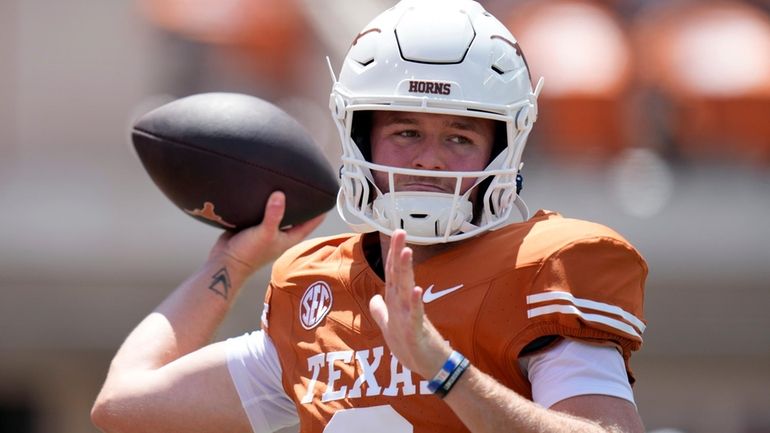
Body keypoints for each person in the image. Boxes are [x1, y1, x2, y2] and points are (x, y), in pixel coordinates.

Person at [91, 1, 647, 432]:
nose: (430, 156)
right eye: (406, 132)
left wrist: (443, 368)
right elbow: (124, 406)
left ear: (503, 149)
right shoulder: (315, 291)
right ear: (361, 138)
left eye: (459, 135)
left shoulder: (546, 266)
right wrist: (232, 265)